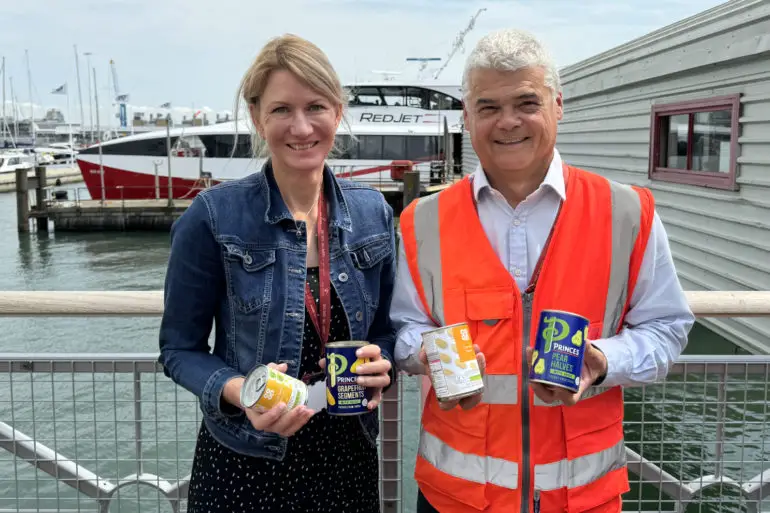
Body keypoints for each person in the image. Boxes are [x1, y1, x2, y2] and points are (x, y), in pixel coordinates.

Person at [391, 28, 695, 513]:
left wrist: (602, 361)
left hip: (581, 500)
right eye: (488, 107)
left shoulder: (627, 213)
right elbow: (405, 327)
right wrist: (424, 354)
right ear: (467, 118)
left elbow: (668, 328)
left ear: (558, 105)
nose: (508, 122)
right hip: (455, 499)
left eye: (526, 103)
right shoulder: (420, 222)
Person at [158, 34, 397, 513]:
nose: (302, 126)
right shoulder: (211, 217)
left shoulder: (374, 214)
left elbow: (386, 332)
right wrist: (238, 392)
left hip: (346, 458)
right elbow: (179, 349)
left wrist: (380, 366)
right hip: (244, 459)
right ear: (256, 117)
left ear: (338, 111)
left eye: (316, 107)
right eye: (282, 109)